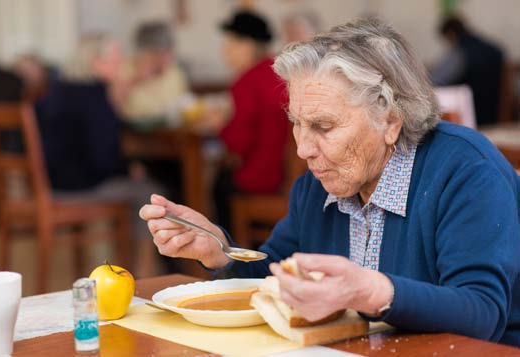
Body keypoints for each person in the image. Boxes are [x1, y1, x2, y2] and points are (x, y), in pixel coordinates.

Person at [139, 18, 520, 346]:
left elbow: (482, 312)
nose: (304, 148)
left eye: (323, 126)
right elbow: (274, 272)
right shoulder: (318, 185)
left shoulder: (465, 171)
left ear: (390, 120)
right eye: (296, 123)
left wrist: (370, 290)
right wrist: (218, 250)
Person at [39, 33, 165, 277]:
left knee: (137, 184)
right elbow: (103, 159)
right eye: (117, 58)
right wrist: (129, 168)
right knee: (151, 195)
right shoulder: (95, 96)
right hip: (82, 186)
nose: (122, 63)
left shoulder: (55, 92)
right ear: (96, 62)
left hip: (53, 182)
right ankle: (145, 275)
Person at [212, 10, 290, 229]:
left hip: (263, 176)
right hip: (292, 176)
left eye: (229, 44)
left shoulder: (246, 81)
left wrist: (221, 126)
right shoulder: (281, 71)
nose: (224, 50)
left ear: (247, 45)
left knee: (219, 185)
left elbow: (238, 144)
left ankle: (233, 254)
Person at [430, 16, 504, 126]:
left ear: (451, 34)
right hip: (494, 108)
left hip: (470, 112)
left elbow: (438, 80)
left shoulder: (460, 53)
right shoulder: (492, 49)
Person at [118, 21, 189, 125]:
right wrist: (135, 79)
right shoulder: (123, 69)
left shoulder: (174, 73)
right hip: (134, 135)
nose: (164, 59)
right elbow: (112, 108)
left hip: (171, 134)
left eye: (168, 52)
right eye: (156, 54)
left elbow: (184, 105)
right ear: (141, 52)